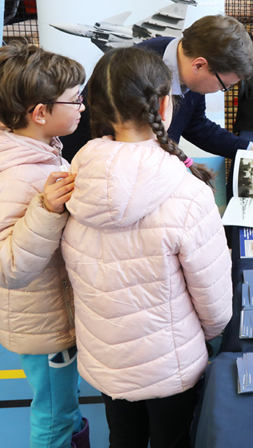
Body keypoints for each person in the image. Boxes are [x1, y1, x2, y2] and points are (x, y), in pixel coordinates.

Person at [61, 47, 233, 447]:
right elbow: (214, 304)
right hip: (171, 365)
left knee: (123, 437)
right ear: (162, 104)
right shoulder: (188, 193)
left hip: (106, 361)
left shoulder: (71, 180)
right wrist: (204, 336)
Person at [0, 43, 90, 448]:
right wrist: (45, 210)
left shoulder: (36, 153)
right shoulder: (21, 177)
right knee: (53, 416)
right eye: (75, 100)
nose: (83, 107)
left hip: (50, 315)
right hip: (44, 326)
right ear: (40, 113)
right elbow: (8, 267)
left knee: (65, 406)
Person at [61, 13, 253, 161]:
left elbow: (196, 126)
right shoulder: (133, 70)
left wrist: (249, 148)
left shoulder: (186, 62)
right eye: (224, 85)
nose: (220, 91)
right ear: (200, 64)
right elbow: (102, 135)